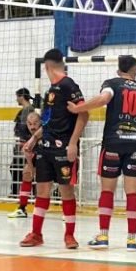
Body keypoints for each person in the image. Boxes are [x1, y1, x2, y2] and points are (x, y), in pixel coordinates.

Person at [67, 56, 136, 250]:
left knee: (107, 191)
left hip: (113, 143)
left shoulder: (112, 83)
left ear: (118, 70)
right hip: (135, 145)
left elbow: (103, 99)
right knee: (133, 193)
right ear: (135, 70)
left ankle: (103, 236)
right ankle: (132, 239)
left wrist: (78, 108)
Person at [20, 48, 88, 249]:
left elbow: (84, 114)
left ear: (47, 66)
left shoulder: (68, 85)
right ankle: (36, 234)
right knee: (42, 190)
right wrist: (33, 139)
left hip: (63, 149)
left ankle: (69, 235)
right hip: (45, 148)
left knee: (66, 190)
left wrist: (73, 142)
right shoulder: (50, 90)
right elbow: (48, 122)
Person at [8, 111, 41, 219]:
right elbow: (26, 152)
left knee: (60, 181)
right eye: (30, 124)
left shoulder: (45, 130)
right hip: (34, 155)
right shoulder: (23, 131)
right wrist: (31, 167)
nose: (32, 127)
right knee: (26, 173)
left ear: (40, 122)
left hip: (49, 154)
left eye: (35, 123)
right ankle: (22, 208)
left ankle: (65, 211)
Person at [9, 87, 35, 211]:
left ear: (21, 96)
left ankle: (18, 195)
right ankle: (20, 195)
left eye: (17, 96)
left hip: (25, 144)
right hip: (24, 143)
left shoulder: (28, 110)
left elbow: (25, 129)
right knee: (19, 169)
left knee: (21, 170)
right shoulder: (27, 110)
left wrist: (24, 143)